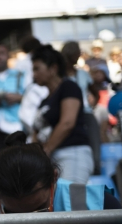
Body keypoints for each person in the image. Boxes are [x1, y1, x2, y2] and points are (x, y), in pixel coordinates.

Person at [32, 45, 93, 184]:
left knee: (71, 202)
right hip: (52, 158)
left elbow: (67, 123)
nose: (33, 74)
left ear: (53, 69)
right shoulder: (45, 100)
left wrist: (46, 149)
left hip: (72, 154)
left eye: (37, 68)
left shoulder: (68, 87)